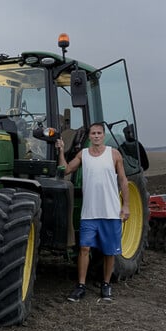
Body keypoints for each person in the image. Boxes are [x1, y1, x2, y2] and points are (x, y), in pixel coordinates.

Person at [56, 122, 130, 302]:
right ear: (89, 136)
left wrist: (126, 205)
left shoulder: (114, 154)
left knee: (109, 251)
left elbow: (123, 180)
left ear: (103, 135)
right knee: (84, 248)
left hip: (110, 212)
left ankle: (106, 284)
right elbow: (66, 170)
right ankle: (81, 286)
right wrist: (61, 151)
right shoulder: (84, 155)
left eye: (99, 133)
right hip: (89, 213)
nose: (96, 136)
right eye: (93, 133)